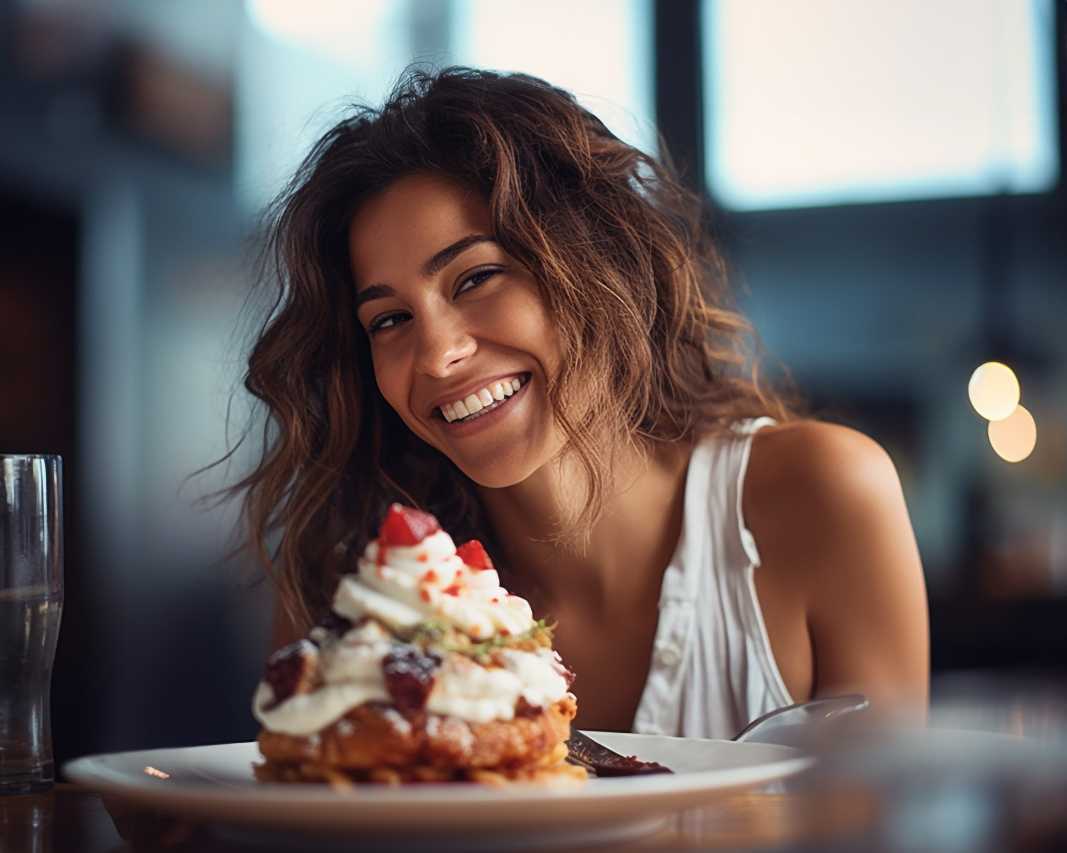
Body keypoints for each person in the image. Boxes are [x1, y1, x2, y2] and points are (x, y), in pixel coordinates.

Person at [221, 66, 929, 738]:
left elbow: (889, 825)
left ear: (598, 262)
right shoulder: (352, 593)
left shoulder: (825, 494)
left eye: (476, 278)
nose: (436, 355)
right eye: (389, 320)